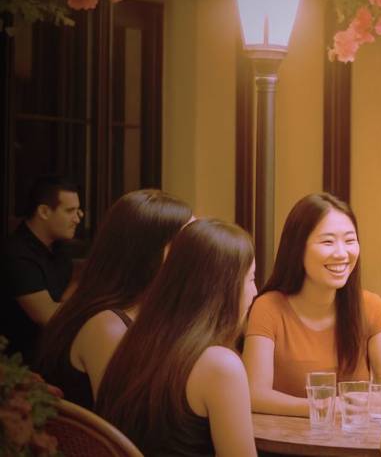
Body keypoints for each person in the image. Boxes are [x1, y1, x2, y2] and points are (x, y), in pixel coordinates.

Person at [97, 219, 257, 457]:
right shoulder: (221, 366)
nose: (255, 291)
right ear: (224, 288)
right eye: (251, 279)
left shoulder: (135, 343)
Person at [243, 192, 381, 416]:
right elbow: (254, 395)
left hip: (352, 436)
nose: (342, 253)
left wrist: (347, 404)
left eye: (350, 240)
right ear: (297, 248)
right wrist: (327, 406)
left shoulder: (371, 306)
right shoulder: (268, 308)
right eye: (328, 242)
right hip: (286, 437)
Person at [35, 190, 192, 409]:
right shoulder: (107, 326)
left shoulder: (145, 313)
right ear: (150, 253)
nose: (199, 252)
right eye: (189, 244)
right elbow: (126, 419)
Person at [1, 176, 82, 365]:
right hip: (19, 366)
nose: (78, 218)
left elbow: (64, 299)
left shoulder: (59, 248)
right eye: (70, 211)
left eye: (78, 210)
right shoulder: (15, 254)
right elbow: (48, 317)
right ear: (44, 211)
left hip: (51, 353)